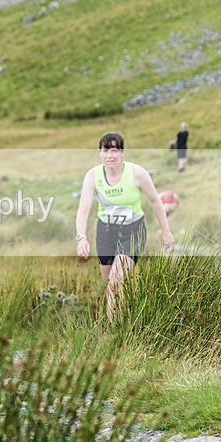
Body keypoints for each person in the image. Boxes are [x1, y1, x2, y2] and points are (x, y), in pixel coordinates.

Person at [75, 132, 173, 323]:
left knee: (117, 281)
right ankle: (124, 315)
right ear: (100, 153)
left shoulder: (137, 173)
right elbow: (83, 209)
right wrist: (82, 237)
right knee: (110, 284)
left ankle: (115, 330)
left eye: (114, 150)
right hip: (105, 233)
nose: (110, 155)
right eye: (105, 150)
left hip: (133, 232)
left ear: (123, 152)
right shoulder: (93, 176)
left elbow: (155, 201)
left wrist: (166, 231)